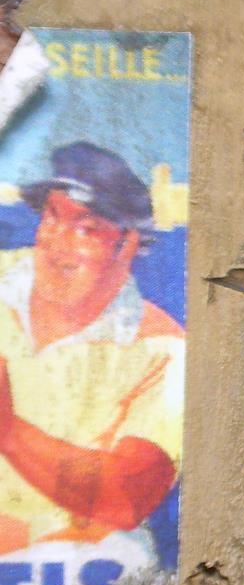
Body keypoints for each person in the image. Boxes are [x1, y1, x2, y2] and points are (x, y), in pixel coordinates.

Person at [0, 141, 183, 559]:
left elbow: (129, 497)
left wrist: (10, 432)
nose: (58, 244)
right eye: (52, 217)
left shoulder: (163, 350)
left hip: (80, 576)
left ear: (128, 244)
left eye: (86, 229)